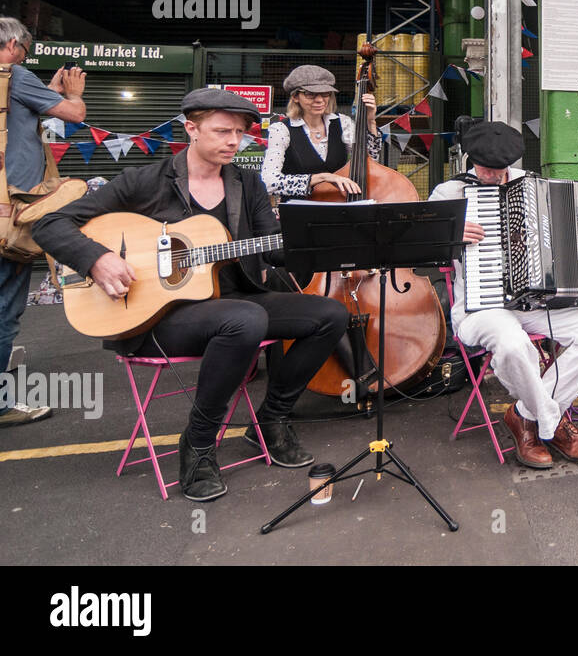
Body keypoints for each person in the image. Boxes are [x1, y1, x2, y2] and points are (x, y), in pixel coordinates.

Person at [33, 89, 348, 499]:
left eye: (240, 133)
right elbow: (49, 224)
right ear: (191, 129)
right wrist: (97, 258)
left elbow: (272, 247)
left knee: (329, 314)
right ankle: (198, 444)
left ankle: (271, 420)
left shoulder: (246, 183)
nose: (234, 141)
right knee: (244, 320)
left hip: (236, 303)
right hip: (159, 316)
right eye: (222, 131)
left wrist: (323, 243)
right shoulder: (145, 180)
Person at [429, 118, 578, 469]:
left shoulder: (531, 184)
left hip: (534, 302)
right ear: (470, 159)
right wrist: (448, 235)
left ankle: (523, 415)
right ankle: (554, 424)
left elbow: (571, 232)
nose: (492, 176)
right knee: (515, 345)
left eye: (499, 169)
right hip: (481, 308)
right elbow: (422, 250)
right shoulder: (449, 193)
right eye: (485, 169)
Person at [0, 18, 87, 428]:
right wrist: (72, 93)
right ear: (13, 45)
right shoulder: (14, 75)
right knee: (4, 310)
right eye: (26, 49)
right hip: (11, 214)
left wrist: (45, 92)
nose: (25, 57)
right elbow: (74, 115)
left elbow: (18, 118)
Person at [261, 65, 380, 199]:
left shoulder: (343, 123)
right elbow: (268, 183)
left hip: (339, 205)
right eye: (310, 94)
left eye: (325, 93)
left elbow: (370, 163)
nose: (319, 100)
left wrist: (371, 122)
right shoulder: (281, 130)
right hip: (299, 208)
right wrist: (322, 177)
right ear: (295, 97)